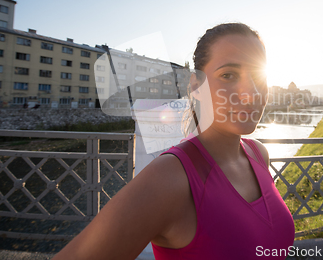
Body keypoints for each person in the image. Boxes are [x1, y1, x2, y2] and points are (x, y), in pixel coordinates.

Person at [53, 23, 294, 260]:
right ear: (196, 86)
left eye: (258, 76)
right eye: (228, 75)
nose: (250, 92)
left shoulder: (258, 154)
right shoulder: (170, 179)